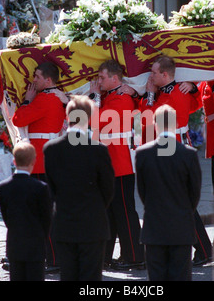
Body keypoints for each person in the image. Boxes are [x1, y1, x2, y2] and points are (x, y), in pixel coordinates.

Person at [138, 55, 212, 267]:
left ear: (164, 74)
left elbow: (147, 117)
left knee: (179, 200)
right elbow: (194, 103)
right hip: (170, 145)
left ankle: (203, 248)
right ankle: (203, 248)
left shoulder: (174, 93)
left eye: (153, 73)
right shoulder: (174, 90)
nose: (150, 76)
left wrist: (150, 95)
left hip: (172, 146)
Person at [43, 95, 115, 281]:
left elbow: (51, 188)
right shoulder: (98, 150)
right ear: (88, 118)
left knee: (68, 275)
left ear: (67, 117)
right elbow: (108, 188)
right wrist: (97, 207)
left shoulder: (51, 149)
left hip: (64, 222)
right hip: (93, 222)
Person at [89, 60, 145, 270]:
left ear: (115, 78)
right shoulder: (113, 95)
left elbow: (96, 121)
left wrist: (94, 97)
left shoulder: (121, 98)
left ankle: (135, 256)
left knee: (124, 211)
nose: (98, 81)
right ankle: (107, 256)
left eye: (102, 78)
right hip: (112, 161)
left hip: (120, 162)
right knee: (111, 212)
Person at [136, 105, 201, 281]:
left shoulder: (142, 154)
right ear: (175, 123)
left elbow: (142, 191)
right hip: (181, 227)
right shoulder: (189, 154)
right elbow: (194, 193)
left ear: (154, 123)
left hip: (154, 227)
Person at [11, 61, 65, 271]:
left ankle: (53, 258)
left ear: (48, 80)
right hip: (49, 159)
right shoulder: (55, 97)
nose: (33, 81)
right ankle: (51, 256)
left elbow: (18, 119)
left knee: (44, 213)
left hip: (41, 162)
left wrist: (26, 101)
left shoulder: (44, 99)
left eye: (37, 77)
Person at [0, 142, 53, 281]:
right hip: (35, 244)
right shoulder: (40, 187)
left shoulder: (2, 187)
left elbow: (6, 217)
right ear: (34, 161)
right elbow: (46, 218)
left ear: (14, 161)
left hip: (15, 243)